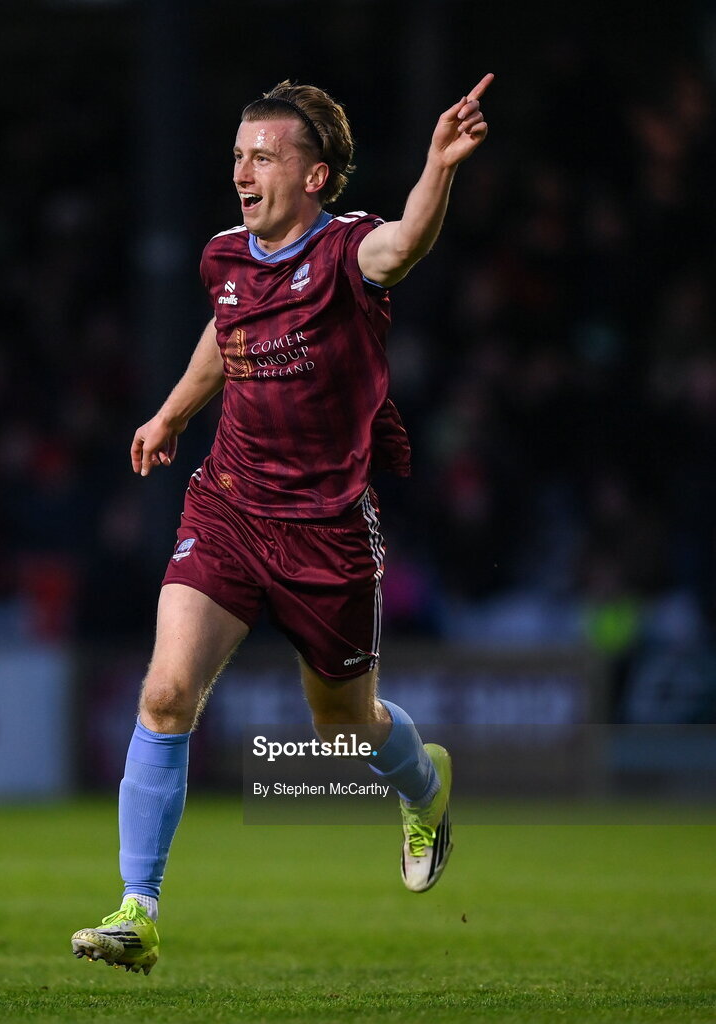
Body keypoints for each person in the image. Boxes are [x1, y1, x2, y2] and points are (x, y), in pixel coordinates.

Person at [71, 73, 493, 975]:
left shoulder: (349, 253)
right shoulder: (224, 254)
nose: (242, 171)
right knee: (164, 693)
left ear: (315, 175)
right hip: (225, 505)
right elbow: (224, 334)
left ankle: (424, 787)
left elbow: (407, 242)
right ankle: (137, 911)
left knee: (341, 723)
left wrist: (437, 165)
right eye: (237, 155)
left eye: (264, 155)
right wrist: (174, 413)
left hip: (327, 533)